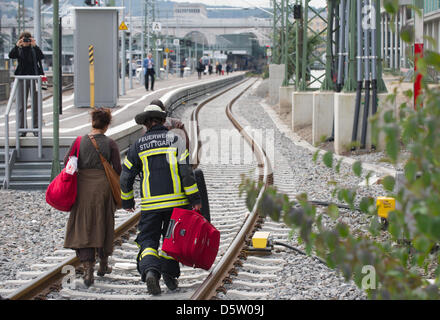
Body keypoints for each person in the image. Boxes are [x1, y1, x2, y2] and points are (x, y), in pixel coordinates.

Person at [120, 104, 202, 295]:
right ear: (162, 120)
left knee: (148, 240)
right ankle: (170, 276)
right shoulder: (176, 140)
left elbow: (125, 178)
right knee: (171, 239)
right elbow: (186, 174)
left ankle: (150, 271)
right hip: (177, 204)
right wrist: (195, 198)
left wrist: (127, 201)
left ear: (146, 124)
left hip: (151, 205)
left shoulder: (137, 146)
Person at [63, 108, 122, 287]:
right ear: (107, 124)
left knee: (84, 226)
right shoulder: (110, 143)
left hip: (83, 188)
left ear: (92, 122)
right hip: (103, 189)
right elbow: (118, 169)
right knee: (103, 224)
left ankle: (88, 270)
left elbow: (67, 162)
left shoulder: (79, 141)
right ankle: (103, 265)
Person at [8, 31, 44, 137]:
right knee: (21, 104)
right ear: (20, 40)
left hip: (35, 78)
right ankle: (22, 129)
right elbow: (11, 55)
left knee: (36, 104)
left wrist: (35, 46)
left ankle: (36, 129)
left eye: (28, 39)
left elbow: (41, 57)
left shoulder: (34, 49)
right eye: (24, 39)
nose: (26, 42)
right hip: (21, 78)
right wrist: (17, 45)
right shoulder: (18, 50)